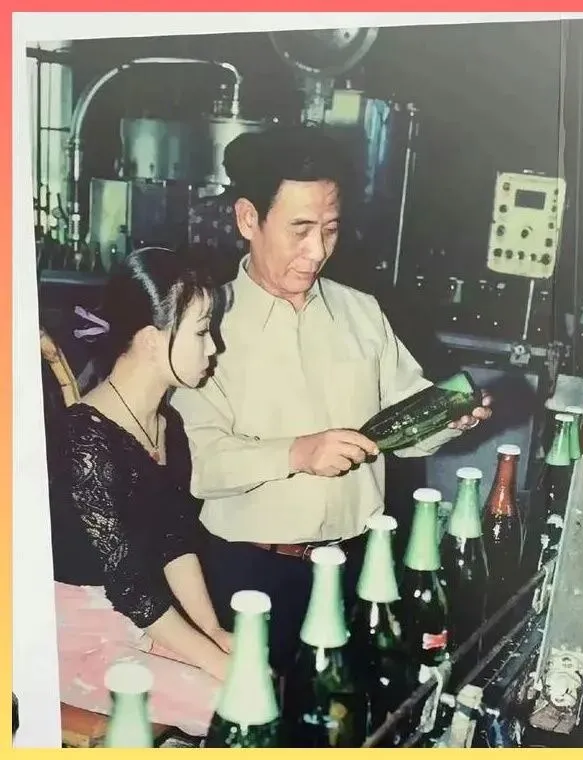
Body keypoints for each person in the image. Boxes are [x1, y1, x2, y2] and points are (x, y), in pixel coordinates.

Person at [170, 127, 492, 675]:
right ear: (248, 219)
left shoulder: (362, 312)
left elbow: (406, 418)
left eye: (330, 229)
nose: (317, 251)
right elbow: (199, 464)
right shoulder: (204, 322)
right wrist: (297, 452)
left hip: (359, 567)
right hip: (249, 576)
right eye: (300, 229)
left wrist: (450, 418)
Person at [47, 247, 231, 737]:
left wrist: (212, 632)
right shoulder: (84, 440)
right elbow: (130, 587)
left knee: (252, 676)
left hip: (138, 625)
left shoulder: (167, 425)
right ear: (151, 340)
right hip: (77, 644)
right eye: (202, 332)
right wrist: (214, 661)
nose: (214, 347)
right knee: (232, 702)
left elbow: (175, 540)